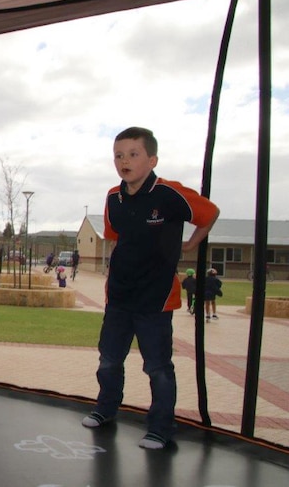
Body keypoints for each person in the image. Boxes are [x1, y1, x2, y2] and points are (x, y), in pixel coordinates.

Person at [81, 127, 219, 450]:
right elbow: (114, 237)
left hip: (156, 301)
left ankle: (160, 427)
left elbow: (210, 213)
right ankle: (106, 409)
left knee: (157, 368)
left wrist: (189, 245)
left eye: (133, 154)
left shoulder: (169, 194)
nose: (124, 161)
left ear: (152, 159)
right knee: (108, 361)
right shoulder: (112, 197)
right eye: (118, 155)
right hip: (119, 298)